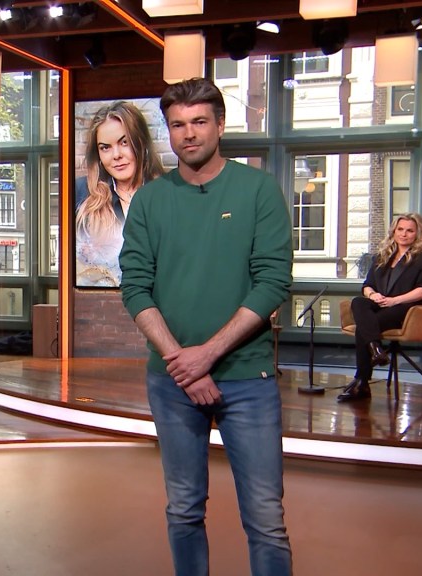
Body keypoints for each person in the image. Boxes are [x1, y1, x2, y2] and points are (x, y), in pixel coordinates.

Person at [119, 78, 294, 575]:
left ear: (220, 125)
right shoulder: (150, 201)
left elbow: (272, 283)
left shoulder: (258, 190)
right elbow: (135, 287)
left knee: (266, 519)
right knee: (183, 509)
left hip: (248, 379)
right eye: (178, 125)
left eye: (199, 122)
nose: (189, 133)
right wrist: (183, 364)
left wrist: (205, 356)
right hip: (173, 383)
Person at [338, 213, 422, 402]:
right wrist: (373, 295)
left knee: (364, 328)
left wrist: (395, 300)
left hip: (406, 308)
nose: (403, 234)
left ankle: (362, 381)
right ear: (393, 231)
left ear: (418, 234)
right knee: (358, 302)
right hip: (380, 303)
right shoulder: (382, 256)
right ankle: (375, 348)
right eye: (400, 229)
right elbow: (367, 285)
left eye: (409, 230)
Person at [74, 101, 164, 287]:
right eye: (105, 147)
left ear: (142, 143)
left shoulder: (167, 193)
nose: (116, 155)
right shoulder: (81, 193)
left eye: (124, 142)